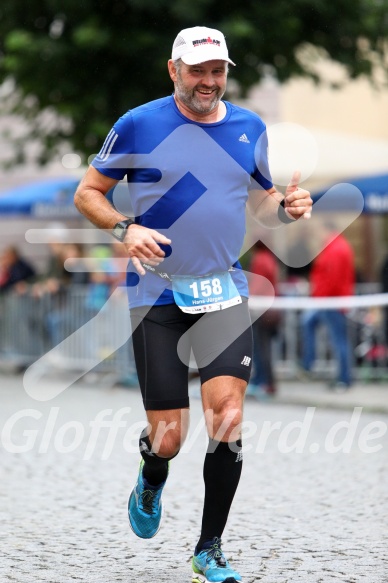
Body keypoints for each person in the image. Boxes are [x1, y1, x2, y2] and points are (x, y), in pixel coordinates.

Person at [74, 26, 312, 583]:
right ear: (173, 70)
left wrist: (289, 207)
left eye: (217, 71)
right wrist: (124, 228)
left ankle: (209, 549)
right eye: (197, 70)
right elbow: (88, 193)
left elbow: (262, 204)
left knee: (227, 419)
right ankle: (152, 474)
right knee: (169, 438)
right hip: (156, 293)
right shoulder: (139, 123)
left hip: (223, 290)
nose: (208, 81)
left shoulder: (249, 126)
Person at [301, 221, 355, 390]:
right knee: (311, 324)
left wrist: (318, 297)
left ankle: (343, 378)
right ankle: (310, 363)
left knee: (339, 341)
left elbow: (331, 279)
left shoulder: (335, 248)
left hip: (331, 301)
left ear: (327, 230)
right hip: (331, 300)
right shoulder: (337, 246)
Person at [247, 241, 280, 397]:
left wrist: (248, 299)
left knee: (261, 348)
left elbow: (258, 285)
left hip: (261, 309)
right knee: (265, 348)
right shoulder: (270, 259)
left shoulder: (259, 259)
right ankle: (267, 381)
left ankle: (263, 381)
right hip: (271, 308)